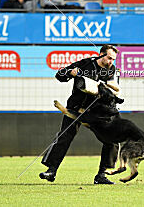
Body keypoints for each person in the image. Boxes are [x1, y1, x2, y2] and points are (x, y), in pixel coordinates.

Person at [40, 44, 120, 185]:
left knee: (112, 139)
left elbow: (114, 89)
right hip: (76, 108)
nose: (111, 62)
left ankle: (102, 175)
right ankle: (51, 171)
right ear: (101, 54)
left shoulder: (111, 70)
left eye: (113, 59)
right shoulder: (85, 64)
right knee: (65, 136)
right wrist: (70, 73)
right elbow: (60, 75)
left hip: (97, 111)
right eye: (109, 58)